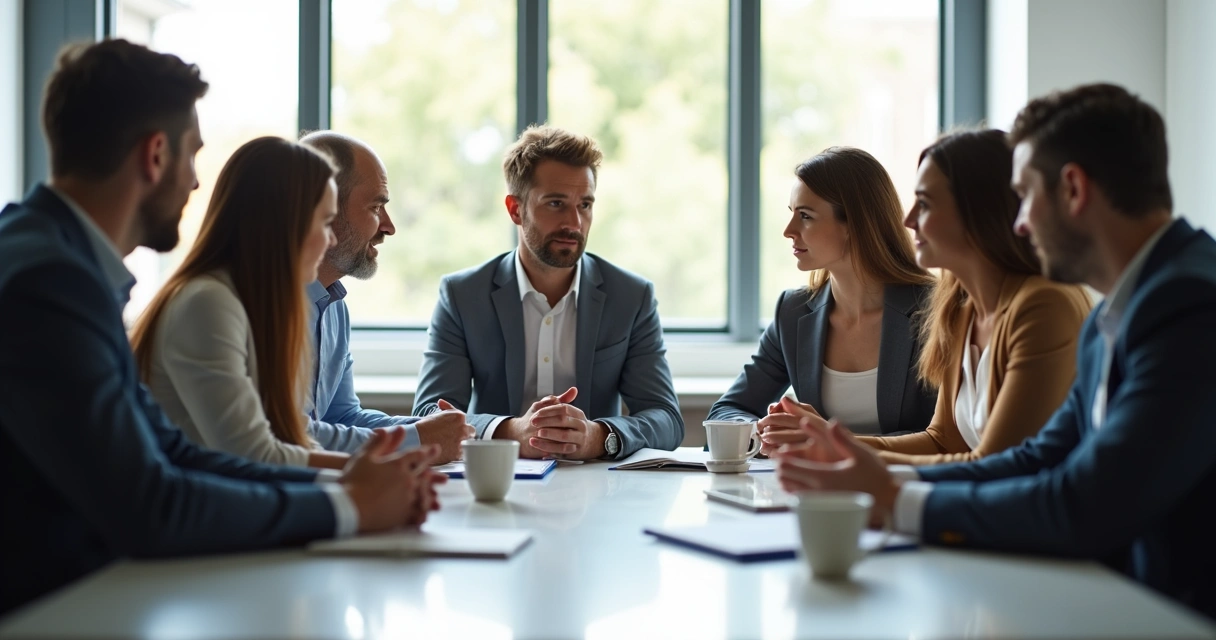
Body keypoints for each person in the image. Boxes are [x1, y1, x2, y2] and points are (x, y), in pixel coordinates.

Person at [0, 39, 443, 615]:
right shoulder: (50, 281)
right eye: (192, 157)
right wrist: (351, 508)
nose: (193, 184)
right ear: (154, 156)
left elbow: (169, 451)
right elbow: (150, 506)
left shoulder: (58, 260)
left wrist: (351, 485)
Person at [774, 84, 1216, 620]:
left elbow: (1086, 503)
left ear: (1073, 189)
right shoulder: (1115, 312)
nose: (1021, 222)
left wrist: (891, 499)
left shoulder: (1189, 304)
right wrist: (870, 469)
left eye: (1025, 196)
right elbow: (1039, 457)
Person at [130, 137, 451, 470]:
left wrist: (418, 438)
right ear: (286, 222)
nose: (330, 239)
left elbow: (310, 429)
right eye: (325, 222)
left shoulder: (295, 304)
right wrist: (398, 457)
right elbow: (259, 452)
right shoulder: (208, 304)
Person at [782, 130, 1092, 465]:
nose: (908, 220)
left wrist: (854, 459)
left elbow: (1000, 465)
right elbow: (943, 440)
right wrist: (834, 444)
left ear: (979, 211)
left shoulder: (1044, 306)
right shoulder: (960, 309)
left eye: (925, 204)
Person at [413, 124, 684, 460]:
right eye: (556, 203)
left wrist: (598, 436)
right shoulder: (462, 295)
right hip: (497, 483)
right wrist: (509, 432)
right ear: (515, 209)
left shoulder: (631, 296)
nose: (574, 222)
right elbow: (427, 414)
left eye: (585, 205)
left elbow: (666, 419)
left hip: (599, 491)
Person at [708, 147, 936, 452]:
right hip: (815, 494)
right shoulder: (793, 312)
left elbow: (947, 438)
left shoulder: (935, 311)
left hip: (905, 491)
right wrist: (766, 432)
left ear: (855, 224)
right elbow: (727, 412)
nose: (789, 231)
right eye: (792, 214)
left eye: (805, 216)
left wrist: (830, 441)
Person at [298, 131, 473, 465]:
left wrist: (437, 429)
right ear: (325, 208)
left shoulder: (334, 308)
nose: (389, 227)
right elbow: (288, 435)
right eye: (376, 207)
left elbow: (343, 418)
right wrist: (418, 439)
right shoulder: (263, 305)